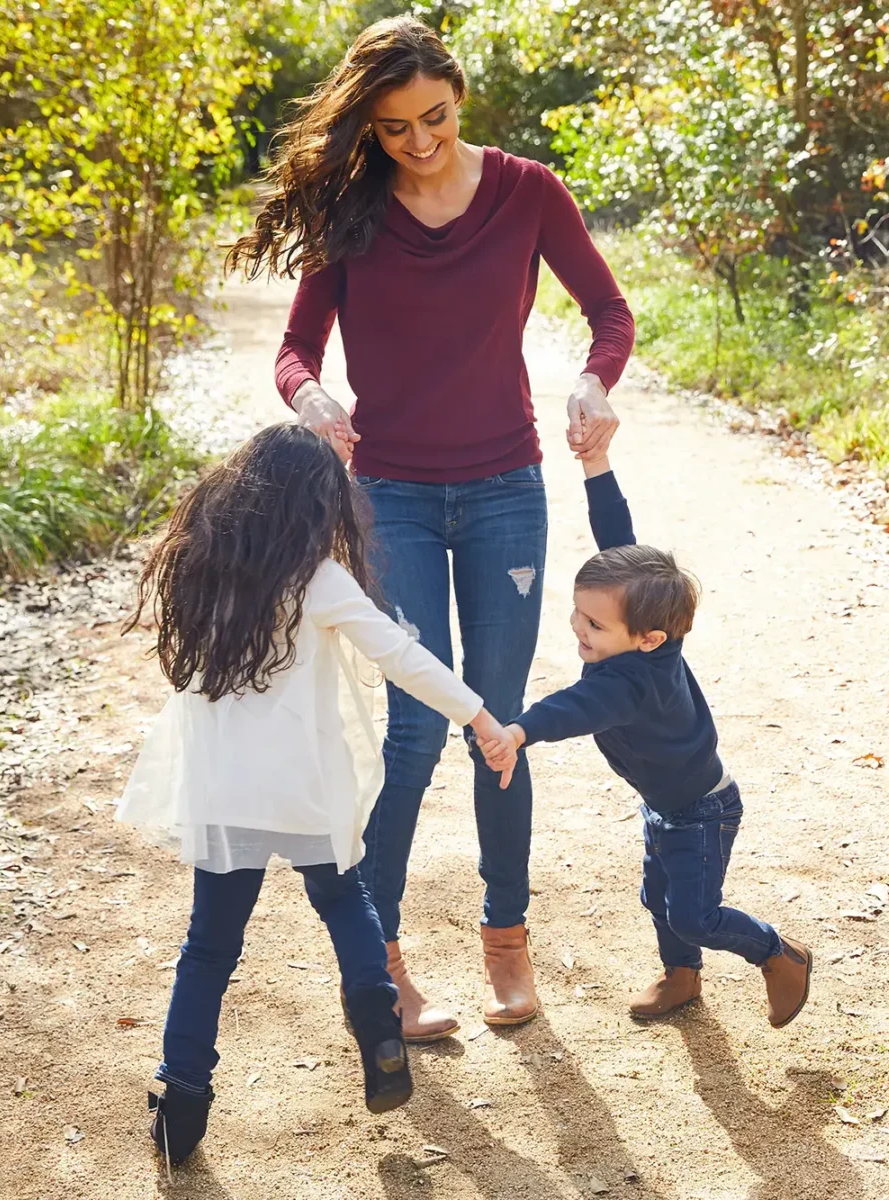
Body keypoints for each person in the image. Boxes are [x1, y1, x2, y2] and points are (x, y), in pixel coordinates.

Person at [227, 15, 635, 1041]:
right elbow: (293, 350)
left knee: (499, 726)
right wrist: (314, 403)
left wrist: (593, 381)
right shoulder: (352, 213)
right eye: (395, 127)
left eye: (435, 118)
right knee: (415, 729)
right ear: (370, 127)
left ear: (460, 93)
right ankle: (384, 965)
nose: (418, 142)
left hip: (505, 489)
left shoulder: (529, 192)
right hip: (392, 498)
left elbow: (610, 315)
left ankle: (507, 944)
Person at [115, 424, 516, 1166]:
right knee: (344, 901)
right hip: (303, 785)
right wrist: (481, 717)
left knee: (208, 948)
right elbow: (402, 656)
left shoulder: (199, 562)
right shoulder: (317, 577)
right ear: (316, 505)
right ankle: (378, 1023)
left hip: (225, 788)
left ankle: (181, 1105)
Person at [477, 452, 813, 1028]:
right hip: (664, 805)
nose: (578, 629)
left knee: (695, 915)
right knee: (657, 901)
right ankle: (681, 978)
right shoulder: (652, 630)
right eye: (579, 614)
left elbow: (574, 707)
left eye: (594, 625)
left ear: (650, 639)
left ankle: (779, 954)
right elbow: (620, 547)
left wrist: (519, 729)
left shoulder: (630, 683)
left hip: (703, 811)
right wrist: (597, 467)